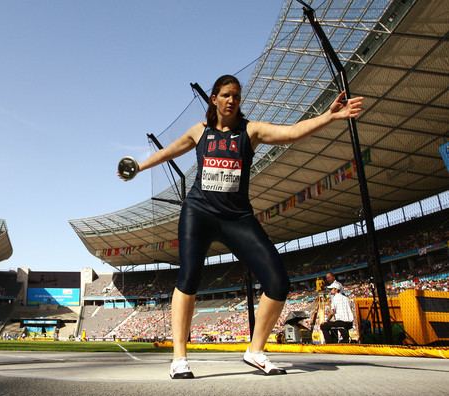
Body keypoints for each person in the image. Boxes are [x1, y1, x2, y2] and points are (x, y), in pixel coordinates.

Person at [118, 74, 364, 378]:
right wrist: (139, 167)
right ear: (214, 99)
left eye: (236, 95)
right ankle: (179, 358)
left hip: (237, 217)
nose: (232, 100)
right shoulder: (200, 132)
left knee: (278, 282)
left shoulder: (251, 131)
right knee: (188, 277)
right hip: (199, 212)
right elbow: (169, 151)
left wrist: (329, 116)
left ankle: (255, 351)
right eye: (225, 95)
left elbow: (292, 133)